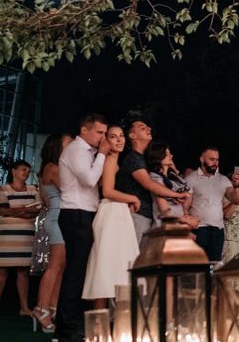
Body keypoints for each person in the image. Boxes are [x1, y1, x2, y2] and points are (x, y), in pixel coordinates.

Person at [55, 113, 110, 342]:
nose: (103, 138)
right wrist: (104, 155)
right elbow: (88, 180)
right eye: (99, 132)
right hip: (75, 214)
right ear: (84, 131)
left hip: (83, 214)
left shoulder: (87, 152)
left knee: (77, 273)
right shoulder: (76, 150)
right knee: (74, 274)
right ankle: (66, 332)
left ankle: (64, 329)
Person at [82, 126, 141, 308]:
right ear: (106, 141)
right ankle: (100, 326)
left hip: (119, 213)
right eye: (113, 137)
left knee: (118, 266)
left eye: (121, 136)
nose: (119, 140)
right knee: (107, 265)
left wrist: (127, 201)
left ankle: (116, 323)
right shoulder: (108, 161)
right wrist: (132, 198)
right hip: (110, 214)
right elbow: (107, 191)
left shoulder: (116, 162)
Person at [116, 114, 188, 244]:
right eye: (142, 128)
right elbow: (149, 184)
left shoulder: (146, 159)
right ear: (132, 136)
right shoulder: (133, 158)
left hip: (149, 217)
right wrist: (175, 194)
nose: (148, 128)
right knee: (134, 259)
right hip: (138, 216)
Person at [30, 133, 72, 332]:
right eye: (68, 144)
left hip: (57, 216)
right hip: (57, 219)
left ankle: (51, 307)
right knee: (55, 266)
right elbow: (70, 190)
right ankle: (40, 308)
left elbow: (46, 200)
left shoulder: (49, 169)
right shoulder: (53, 168)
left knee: (60, 267)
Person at [0, 160, 41, 318]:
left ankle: (24, 307)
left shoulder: (33, 189)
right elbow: (3, 211)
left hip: (26, 236)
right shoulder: (3, 189)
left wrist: (16, 211)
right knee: (2, 270)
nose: (26, 173)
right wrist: (25, 210)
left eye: (28, 170)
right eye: (23, 169)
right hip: (7, 237)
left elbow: (36, 211)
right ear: (14, 171)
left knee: (23, 271)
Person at [184, 146, 239, 261]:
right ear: (202, 159)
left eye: (217, 159)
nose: (215, 162)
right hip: (199, 229)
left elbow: (236, 200)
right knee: (198, 265)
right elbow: (185, 206)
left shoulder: (223, 180)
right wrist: (187, 230)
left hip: (218, 230)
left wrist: (236, 187)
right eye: (212, 159)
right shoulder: (191, 179)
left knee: (215, 265)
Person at [146, 143, 200, 229]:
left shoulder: (172, 176)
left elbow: (187, 194)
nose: (171, 155)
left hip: (177, 224)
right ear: (158, 156)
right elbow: (164, 210)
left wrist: (187, 218)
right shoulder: (155, 178)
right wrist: (187, 221)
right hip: (164, 227)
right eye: (167, 154)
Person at [222, 195, 239, 262]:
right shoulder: (222, 199)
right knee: (228, 266)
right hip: (229, 240)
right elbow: (227, 215)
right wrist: (235, 201)